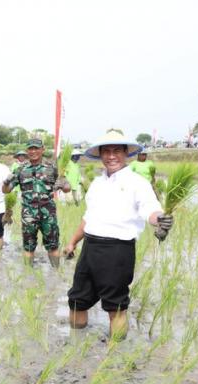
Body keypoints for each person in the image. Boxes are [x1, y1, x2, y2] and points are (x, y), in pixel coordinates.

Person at [63, 131, 173, 339]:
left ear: (126, 154)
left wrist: (159, 219)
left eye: (116, 151)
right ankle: (76, 349)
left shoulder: (137, 183)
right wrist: (72, 243)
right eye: (106, 151)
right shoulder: (97, 183)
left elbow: (150, 209)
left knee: (116, 306)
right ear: (100, 155)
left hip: (118, 251)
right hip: (90, 249)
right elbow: (88, 218)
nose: (111, 156)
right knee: (77, 300)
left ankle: (116, 357)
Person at [3, 139, 70, 267]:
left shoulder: (52, 168)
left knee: (53, 246)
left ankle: (56, 274)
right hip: (28, 215)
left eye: (36, 148)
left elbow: (67, 188)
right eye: (30, 149)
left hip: (48, 214)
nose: (33, 151)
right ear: (27, 150)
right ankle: (28, 276)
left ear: (42, 149)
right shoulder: (21, 170)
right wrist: (6, 182)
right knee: (28, 247)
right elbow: (6, 191)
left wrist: (63, 184)